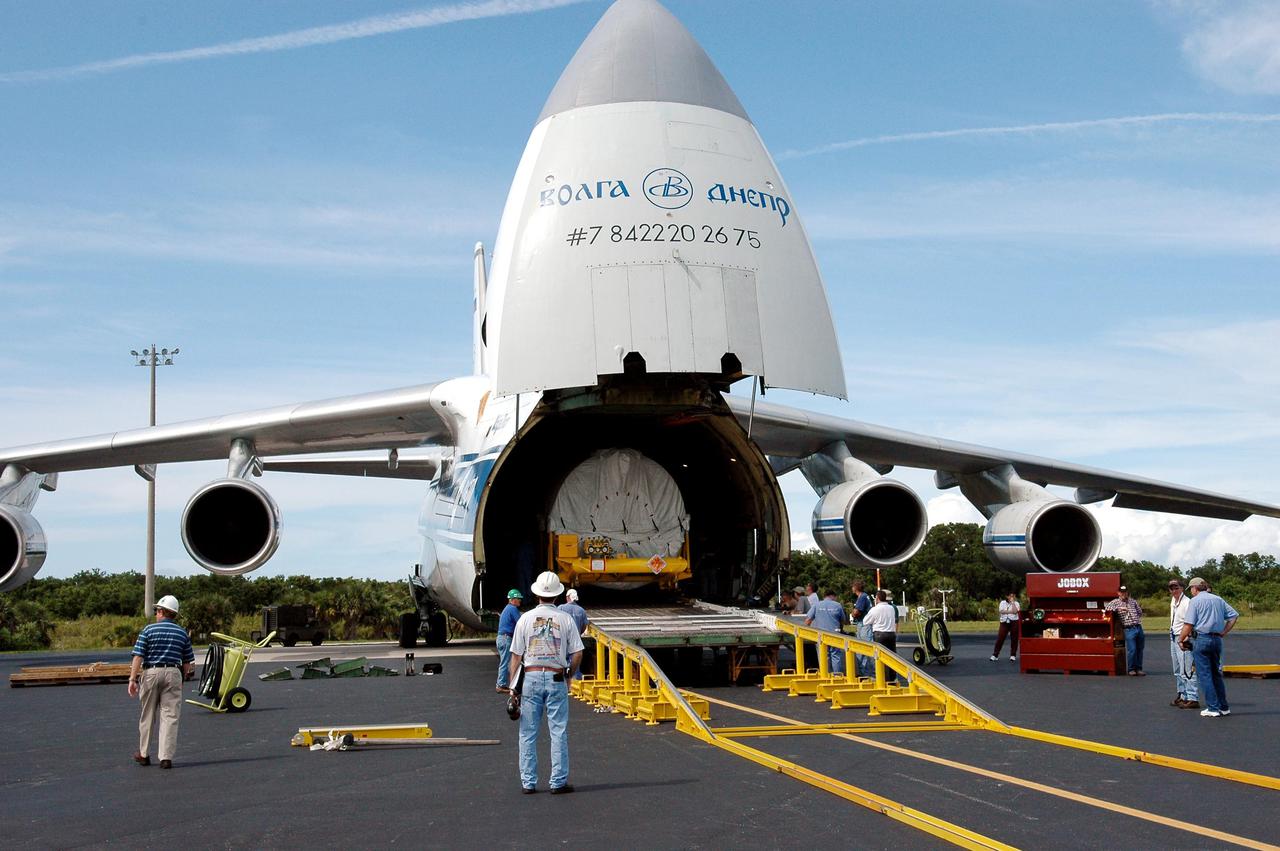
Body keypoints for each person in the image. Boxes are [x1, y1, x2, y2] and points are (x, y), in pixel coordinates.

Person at [509, 571, 584, 793]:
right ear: (557, 595)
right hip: (556, 676)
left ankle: (528, 782)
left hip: (530, 676)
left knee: (527, 732)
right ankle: (558, 781)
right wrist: (570, 674)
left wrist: (513, 688)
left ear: (537, 594)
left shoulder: (525, 619)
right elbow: (578, 652)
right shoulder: (566, 619)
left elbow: (515, 655)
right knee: (558, 731)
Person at [127, 595, 194, 769]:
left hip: (152, 672)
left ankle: (143, 754)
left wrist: (132, 679)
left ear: (162, 612)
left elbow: (138, 656)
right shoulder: (182, 633)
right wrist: (183, 678)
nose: (156, 613)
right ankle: (166, 757)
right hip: (173, 672)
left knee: (147, 715)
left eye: (157, 610)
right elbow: (188, 662)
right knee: (170, 716)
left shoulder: (148, 630)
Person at [1177, 577, 1239, 717]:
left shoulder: (1195, 601)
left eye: (1191, 589)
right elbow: (1234, 616)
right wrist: (1224, 631)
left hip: (1202, 638)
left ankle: (1212, 708)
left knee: (1205, 675)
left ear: (1195, 588)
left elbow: (1188, 624)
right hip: (1217, 639)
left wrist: (1181, 639)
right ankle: (1224, 707)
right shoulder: (1218, 599)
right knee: (1216, 674)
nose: (1191, 592)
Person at [1167, 579, 1198, 709]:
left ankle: (1192, 697)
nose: (1174, 590)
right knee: (1177, 669)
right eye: (1171, 588)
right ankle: (1182, 694)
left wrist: (1186, 637)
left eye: (1176, 588)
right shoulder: (1173, 601)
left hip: (1183, 637)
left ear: (1182, 588)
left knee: (1187, 668)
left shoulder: (1187, 603)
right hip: (1174, 635)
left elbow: (1191, 621)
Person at [804, 589, 847, 675]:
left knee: (823, 655)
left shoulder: (817, 605)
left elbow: (808, 621)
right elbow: (843, 621)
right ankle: (837, 676)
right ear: (832, 596)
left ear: (824, 596)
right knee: (836, 656)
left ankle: (825, 675)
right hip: (835, 634)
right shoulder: (837, 605)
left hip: (821, 635)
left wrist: (807, 633)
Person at [1105, 585, 1145, 675]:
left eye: (1125, 592)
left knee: (1140, 649)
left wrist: (1136, 614)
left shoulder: (1133, 601)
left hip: (1138, 626)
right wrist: (1119, 608)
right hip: (1129, 628)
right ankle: (1131, 669)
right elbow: (1106, 609)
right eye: (1122, 592)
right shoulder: (1115, 602)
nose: (1124, 594)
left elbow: (1140, 612)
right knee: (1132, 649)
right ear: (1118, 593)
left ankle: (1138, 668)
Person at [862, 589, 899, 685]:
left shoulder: (875, 609)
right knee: (891, 656)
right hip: (891, 634)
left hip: (879, 634)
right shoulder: (891, 608)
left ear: (877, 598)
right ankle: (892, 678)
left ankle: (883, 678)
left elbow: (866, 621)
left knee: (880, 658)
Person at [558, 588, 590, 680]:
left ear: (567, 597)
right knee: (575, 661)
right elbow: (584, 626)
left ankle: (562, 679)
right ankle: (574, 681)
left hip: (563, 639)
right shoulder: (581, 610)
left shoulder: (561, 608)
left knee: (562, 661)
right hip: (576, 640)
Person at [496, 589, 523, 693]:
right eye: (518, 599)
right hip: (506, 638)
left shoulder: (507, 608)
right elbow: (520, 623)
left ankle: (504, 683)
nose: (520, 601)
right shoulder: (512, 609)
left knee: (506, 662)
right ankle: (500, 685)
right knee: (505, 662)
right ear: (512, 600)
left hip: (502, 638)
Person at [850, 580, 873, 678]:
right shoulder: (865, 596)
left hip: (864, 624)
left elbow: (856, 612)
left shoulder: (862, 597)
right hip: (864, 624)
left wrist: (852, 613)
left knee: (865, 648)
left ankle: (869, 673)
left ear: (856, 588)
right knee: (862, 649)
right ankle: (864, 672)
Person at [991, 592, 1020, 662]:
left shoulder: (1016, 603)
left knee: (1014, 639)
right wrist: (1010, 611)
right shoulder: (1002, 603)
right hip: (1004, 622)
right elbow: (1001, 611)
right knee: (1000, 638)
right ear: (1007, 596)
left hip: (1014, 622)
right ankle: (995, 655)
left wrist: (1012, 603)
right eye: (1010, 596)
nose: (1011, 597)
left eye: (1013, 596)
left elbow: (1015, 611)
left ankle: (1013, 655)